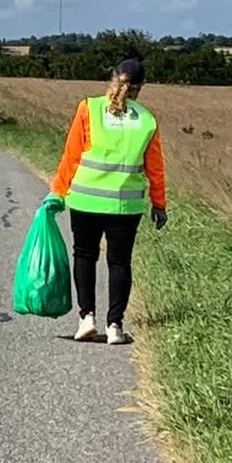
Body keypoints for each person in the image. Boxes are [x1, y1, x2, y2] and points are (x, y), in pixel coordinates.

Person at [50, 57, 167, 345]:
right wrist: (159, 204)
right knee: (119, 262)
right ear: (141, 87)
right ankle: (115, 326)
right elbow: (155, 168)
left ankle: (86, 318)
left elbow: (72, 154)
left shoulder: (88, 108)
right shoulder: (147, 120)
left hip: (86, 200)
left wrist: (58, 192)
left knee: (84, 255)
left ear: (113, 77)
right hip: (124, 206)